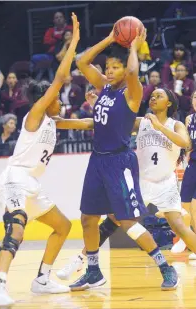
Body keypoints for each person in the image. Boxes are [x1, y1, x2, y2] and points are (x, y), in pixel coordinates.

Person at [0, 13, 93, 308]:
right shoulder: (35, 114)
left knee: (62, 226)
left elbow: (85, 123)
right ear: (45, 99)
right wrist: (73, 40)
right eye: (54, 97)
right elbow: (60, 76)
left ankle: (43, 278)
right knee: (17, 226)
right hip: (15, 178)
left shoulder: (53, 121)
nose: (59, 98)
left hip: (32, 183)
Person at [67, 26, 180, 292]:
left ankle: (166, 266)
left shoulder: (132, 93)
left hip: (120, 162)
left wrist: (132, 46)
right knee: (87, 218)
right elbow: (81, 61)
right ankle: (93, 271)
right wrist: (109, 39)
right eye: (108, 67)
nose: (109, 71)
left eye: (115, 67)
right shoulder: (104, 88)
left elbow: (132, 72)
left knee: (128, 222)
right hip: (97, 160)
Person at [56, 89, 196, 280]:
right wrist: (63, 121)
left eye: (159, 96)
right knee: (112, 220)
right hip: (141, 182)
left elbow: (185, 143)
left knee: (180, 227)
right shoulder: (140, 122)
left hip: (166, 183)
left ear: (169, 103)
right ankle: (81, 259)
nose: (153, 98)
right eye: (152, 95)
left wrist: (159, 126)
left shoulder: (176, 124)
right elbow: (96, 124)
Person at [181, 90, 196, 260]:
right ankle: (191, 242)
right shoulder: (189, 119)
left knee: (194, 206)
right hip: (192, 164)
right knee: (184, 205)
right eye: (195, 97)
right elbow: (187, 144)